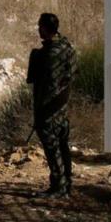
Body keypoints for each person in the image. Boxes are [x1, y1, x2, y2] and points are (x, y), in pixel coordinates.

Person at [26, 13, 78, 199]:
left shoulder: (48, 54)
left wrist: (41, 113)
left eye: (40, 26)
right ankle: (66, 183)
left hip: (48, 109)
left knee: (53, 149)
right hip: (62, 109)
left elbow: (37, 81)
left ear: (45, 28)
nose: (38, 29)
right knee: (63, 146)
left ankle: (59, 186)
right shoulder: (67, 48)